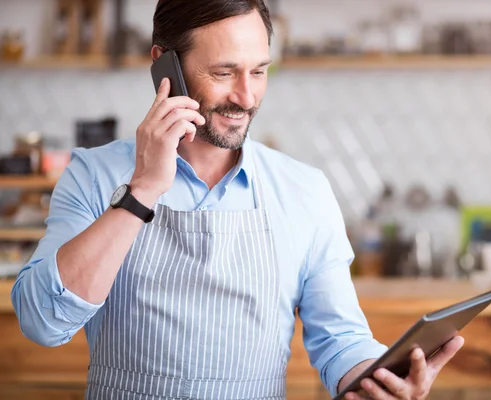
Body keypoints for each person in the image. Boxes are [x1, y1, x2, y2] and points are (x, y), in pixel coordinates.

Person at [11, 1, 463, 399]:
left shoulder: (303, 189)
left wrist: (376, 380)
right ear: (164, 66)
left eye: (260, 71)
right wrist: (143, 189)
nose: (247, 97)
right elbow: (42, 322)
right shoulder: (94, 175)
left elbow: (341, 339)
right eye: (224, 73)